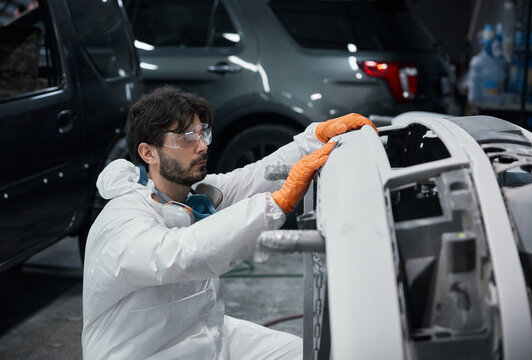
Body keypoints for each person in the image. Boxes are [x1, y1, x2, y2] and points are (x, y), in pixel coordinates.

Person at [81, 86, 377, 359]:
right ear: (148, 152)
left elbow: (254, 177)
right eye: (186, 137)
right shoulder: (123, 218)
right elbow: (177, 255)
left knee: (305, 355)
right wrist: (275, 203)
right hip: (143, 352)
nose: (201, 147)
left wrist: (314, 139)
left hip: (202, 334)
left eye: (203, 134)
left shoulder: (190, 195)